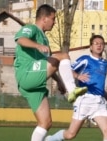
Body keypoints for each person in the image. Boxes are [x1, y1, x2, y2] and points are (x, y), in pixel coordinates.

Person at [13, 4, 87, 141]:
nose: (54, 23)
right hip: (27, 73)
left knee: (45, 123)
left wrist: (59, 80)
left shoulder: (44, 39)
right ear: (44, 18)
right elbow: (21, 39)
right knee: (64, 55)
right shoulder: (31, 28)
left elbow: (49, 64)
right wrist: (37, 45)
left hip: (35, 84)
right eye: (53, 19)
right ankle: (72, 90)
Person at [46, 35, 107, 141]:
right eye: (96, 43)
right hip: (85, 99)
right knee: (70, 135)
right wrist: (78, 76)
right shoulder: (85, 59)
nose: (99, 45)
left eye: (101, 43)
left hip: (99, 102)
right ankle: (50, 139)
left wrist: (105, 94)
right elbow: (67, 69)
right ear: (91, 47)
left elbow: (97, 83)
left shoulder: (104, 63)